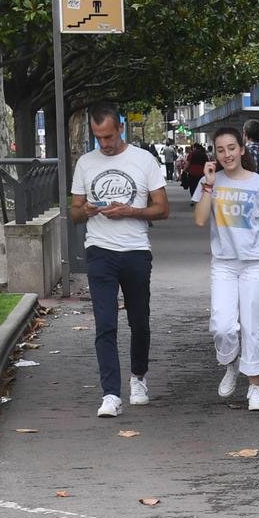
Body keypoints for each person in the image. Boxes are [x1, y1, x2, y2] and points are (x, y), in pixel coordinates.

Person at [70, 103, 170, 417]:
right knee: (105, 324)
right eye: (98, 138)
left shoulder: (144, 160)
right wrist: (84, 210)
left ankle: (138, 377)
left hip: (136, 250)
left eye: (109, 136)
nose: (105, 144)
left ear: (121, 129)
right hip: (99, 249)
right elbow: (73, 213)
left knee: (139, 321)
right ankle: (111, 394)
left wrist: (130, 211)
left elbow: (163, 209)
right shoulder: (85, 163)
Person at [195, 125, 259, 409]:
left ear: (241, 149)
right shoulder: (211, 183)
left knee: (254, 326)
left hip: (254, 264)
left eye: (231, 148)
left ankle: (255, 388)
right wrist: (209, 185)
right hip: (224, 264)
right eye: (221, 150)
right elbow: (200, 220)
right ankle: (231, 362)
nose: (227, 155)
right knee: (222, 327)